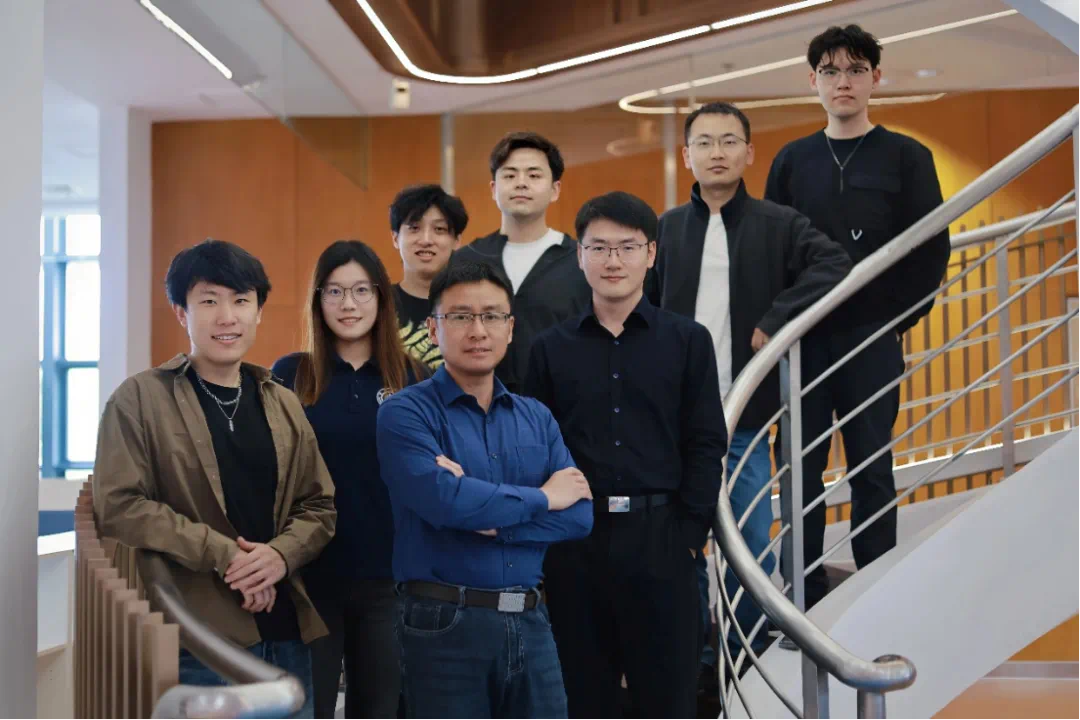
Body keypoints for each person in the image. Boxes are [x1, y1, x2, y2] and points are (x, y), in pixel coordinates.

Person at [93, 239, 336, 718]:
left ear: (258, 311)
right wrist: (226, 555)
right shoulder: (139, 399)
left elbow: (319, 506)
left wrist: (279, 556)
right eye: (208, 301)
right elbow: (120, 506)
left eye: (241, 301)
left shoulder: (282, 401)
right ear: (181, 313)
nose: (227, 317)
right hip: (198, 637)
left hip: (287, 631)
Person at [655, 101, 851, 682]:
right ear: (685, 156)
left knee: (753, 545)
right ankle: (696, 660)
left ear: (749, 152)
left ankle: (745, 657)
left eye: (729, 141)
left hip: (743, 420)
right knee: (673, 545)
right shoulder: (666, 228)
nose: (717, 152)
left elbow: (834, 264)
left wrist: (777, 317)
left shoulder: (778, 223)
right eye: (704, 142)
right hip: (673, 421)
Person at [765, 25, 950, 608]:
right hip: (805, 339)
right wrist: (781, 324)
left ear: (876, 78)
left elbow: (930, 248)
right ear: (812, 81)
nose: (842, 82)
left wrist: (896, 321)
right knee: (799, 470)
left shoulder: (907, 157)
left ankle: (876, 594)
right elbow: (773, 251)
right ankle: (802, 596)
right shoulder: (792, 160)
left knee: (871, 467)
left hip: (872, 337)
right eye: (829, 72)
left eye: (854, 71)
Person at [525, 192, 728, 719]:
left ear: (650, 254)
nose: (612, 260)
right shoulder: (549, 349)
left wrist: (689, 535)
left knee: (668, 700)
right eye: (599, 247)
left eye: (627, 247)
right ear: (580, 256)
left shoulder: (688, 341)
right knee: (582, 699)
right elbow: (535, 449)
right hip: (575, 544)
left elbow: (706, 440)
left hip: (662, 539)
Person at [376, 261, 594, 720]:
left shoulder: (537, 417)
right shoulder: (404, 413)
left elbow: (579, 516)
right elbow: (446, 502)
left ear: (510, 329)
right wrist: (544, 497)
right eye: (460, 316)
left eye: (491, 316)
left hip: (531, 620)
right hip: (444, 624)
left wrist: (493, 519)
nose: (478, 330)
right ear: (433, 329)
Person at [273, 241, 423, 719]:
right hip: (309, 576)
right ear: (318, 300)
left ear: (381, 298)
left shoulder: (413, 376)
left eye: (361, 290)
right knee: (308, 708)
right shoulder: (291, 374)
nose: (348, 304)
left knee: (379, 708)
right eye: (334, 291)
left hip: (389, 577)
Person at [451, 131, 590, 393]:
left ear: (555, 190)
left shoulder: (582, 260)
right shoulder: (466, 260)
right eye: (510, 175)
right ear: (494, 189)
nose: (521, 183)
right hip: (476, 403)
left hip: (561, 404)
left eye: (534, 175)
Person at [390, 184, 469, 371]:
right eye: (414, 228)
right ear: (395, 238)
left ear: (457, 241)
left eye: (439, 229)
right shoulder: (376, 305)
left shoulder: (473, 306)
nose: (426, 240)